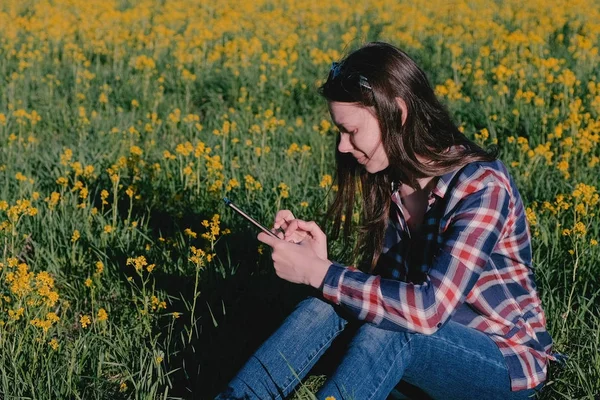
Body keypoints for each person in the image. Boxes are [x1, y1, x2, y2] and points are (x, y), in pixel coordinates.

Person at [216, 42, 554, 400]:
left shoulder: (482, 186)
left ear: (398, 113)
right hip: (422, 351)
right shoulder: (392, 180)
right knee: (326, 304)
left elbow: (427, 310)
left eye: (351, 130)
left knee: (394, 328)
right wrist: (322, 263)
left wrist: (318, 273)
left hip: (500, 361)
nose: (343, 146)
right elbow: (389, 293)